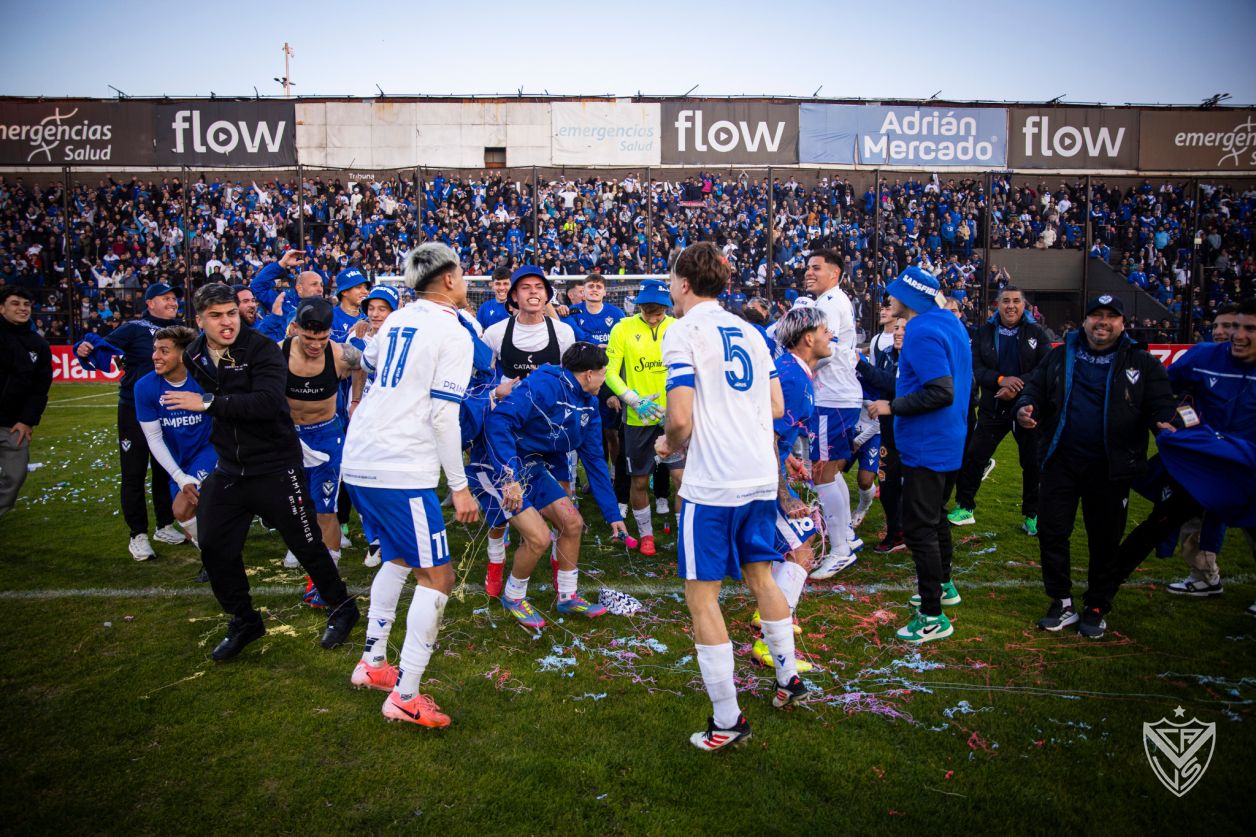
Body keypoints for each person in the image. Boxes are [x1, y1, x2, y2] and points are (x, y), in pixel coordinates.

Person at [656, 241, 806, 752]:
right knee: (761, 576)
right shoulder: (751, 331)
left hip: (714, 483)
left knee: (702, 595)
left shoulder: (682, 330)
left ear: (683, 284)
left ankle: (727, 719)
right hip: (758, 476)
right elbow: (777, 404)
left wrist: (668, 444)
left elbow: (679, 418)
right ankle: (787, 678)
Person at [177, 283, 359, 662]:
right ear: (200, 320)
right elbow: (225, 404)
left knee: (306, 543)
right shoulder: (194, 354)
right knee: (213, 545)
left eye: (231, 313)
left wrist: (208, 403)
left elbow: (266, 402)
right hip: (230, 468)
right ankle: (244, 620)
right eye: (216, 316)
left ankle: (343, 608)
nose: (227, 322)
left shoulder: (262, 349)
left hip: (276, 464)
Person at [341, 243, 480, 729]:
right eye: (463, 273)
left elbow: (368, 360)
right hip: (399, 465)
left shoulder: (398, 318)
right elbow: (444, 416)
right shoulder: (453, 331)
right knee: (438, 578)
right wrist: (459, 486)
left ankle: (372, 663)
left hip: (360, 456)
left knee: (400, 557)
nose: (466, 281)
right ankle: (406, 694)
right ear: (448, 279)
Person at [1014, 294, 1176, 639]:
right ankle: (1061, 601)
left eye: (1110, 316)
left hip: (1110, 467)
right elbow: (1035, 388)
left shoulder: (1141, 362)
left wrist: (1164, 421)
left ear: (1122, 323)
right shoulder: (1061, 354)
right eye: (1096, 315)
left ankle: (1097, 605)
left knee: (1104, 539)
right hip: (1060, 461)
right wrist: (1026, 407)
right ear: (1084, 321)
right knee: (1052, 532)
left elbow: (1161, 403)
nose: (1102, 322)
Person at [1114, 298, 1256, 608]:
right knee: (1164, 521)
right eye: (1233, 326)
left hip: (1248, 469)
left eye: (1249, 329)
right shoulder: (1203, 356)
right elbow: (1164, 390)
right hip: (1204, 466)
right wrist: (1176, 417)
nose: (1236, 335)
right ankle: (1104, 586)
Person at [483, 343, 628, 629]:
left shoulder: (590, 404)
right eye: (604, 373)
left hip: (537, 465)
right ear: (589, 374)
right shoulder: (544, 386)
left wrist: (613, 515)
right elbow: (498, 422)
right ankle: (513, 596)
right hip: (503, 465)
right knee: (538, 537)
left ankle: (567, 596)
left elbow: (595, 462)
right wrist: (509, 477)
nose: (606, 379)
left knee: (572, 524)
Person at [868, 267, 972, 644]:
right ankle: (943, 586)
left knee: (919, 527)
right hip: (947, 436)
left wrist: (891, 406)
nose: (889, 299)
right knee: (936, 516)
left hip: (928, 441)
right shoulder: (948, 322)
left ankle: (932, 615)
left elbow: (940, 391)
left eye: (894, 293)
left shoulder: (921, 329)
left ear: (910, 297)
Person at [749, 305, 833, 673]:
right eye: (826, 331)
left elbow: (776, 434)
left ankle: (768, 613)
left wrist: (789, 460)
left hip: (766, 469)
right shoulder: (792, 377)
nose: (832, 336)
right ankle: (770, 642)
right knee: (801, 548)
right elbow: (765, 434)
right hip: (758, 475)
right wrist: (784, 494)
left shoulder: (793, 371)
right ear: (808, 338)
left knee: (798, 541)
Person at [75, 282, 186, 560]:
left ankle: (164, 525)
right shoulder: (134, 328)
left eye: (174, 298)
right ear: (150, 303)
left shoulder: (181, 330)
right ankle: (137, 534)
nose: (172, 302)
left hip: (169, 408)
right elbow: (101, 346)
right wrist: (84, 348)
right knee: (134, 472)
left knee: (165, 468)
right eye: (165, 298)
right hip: (134, 409)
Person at [949, 286, 1051, 535]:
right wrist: (1001, 380)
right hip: (992, 406)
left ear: (1024, 305)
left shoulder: (1037, 333)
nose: (1011, 306)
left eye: (1016, 301)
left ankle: (1032, 515)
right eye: (1006, 301)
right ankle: (965, 507)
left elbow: (1045, 369)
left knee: (1032, 462)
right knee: (974, 457)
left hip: (1027, 407)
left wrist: (1017, 386)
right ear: (998, 305)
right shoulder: (984, 332)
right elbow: (976, 367)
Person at [278, 298, 362, 588]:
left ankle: (328, 579)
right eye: (309, 338)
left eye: (322, 338)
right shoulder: (279, 352)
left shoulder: (340, 354)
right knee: (295, 503)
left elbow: (363, 365)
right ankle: (300, 543)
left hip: (326, 436)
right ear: (295, 328)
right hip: (290, 437)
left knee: (326, 508)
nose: (315, 345)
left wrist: (355, 400)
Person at [605, 279, 682, 557]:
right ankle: (646, 534)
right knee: (638, 480)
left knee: (682, 478)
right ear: (639, 307)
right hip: (638, 418)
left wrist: (678, 406)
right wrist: (633, 400)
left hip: (674, 416)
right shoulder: (622, 328)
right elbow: (610, 372)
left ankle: (683, 534)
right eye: (647, 312)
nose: (652, 318)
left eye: (658, 313)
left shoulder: (677, 328)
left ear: (667, 308)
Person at [133, 326, 215, 575]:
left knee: (182, 507)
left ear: (182, 355)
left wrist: (204, 403)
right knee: (186, 516)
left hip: (210, 450)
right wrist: (179, 476)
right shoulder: (145, 387)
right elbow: (154, 438)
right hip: (178, 460)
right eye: (155, 350)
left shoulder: (204, 377)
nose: (155, 356)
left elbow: (227, 405)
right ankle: (217, 556)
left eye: (163, 351)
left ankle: (219, 560)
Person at [803, 249, 865, 579]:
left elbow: (825, 351)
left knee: (822, 472)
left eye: (816, 267)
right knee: (830, 470)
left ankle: (840, 549)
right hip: (836, 396)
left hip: (833, 397)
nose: (809, 272)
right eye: (807, 267)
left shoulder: (829, 303)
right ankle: (847, 537)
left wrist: (800, 363)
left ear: (835, 273)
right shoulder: (831, 301)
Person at [0, 286, 51, 517]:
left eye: (26, 304)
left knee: (15, 474)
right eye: (15, 303)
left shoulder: (38, 344)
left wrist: (27, 420)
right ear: (2, 308)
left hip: (13, 424)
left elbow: (40, 387)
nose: (22, 308)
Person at [482, 266, 576, 388]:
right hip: (508, 401)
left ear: (546, 295)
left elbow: (572, 381)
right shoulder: (494, 332)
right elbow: (480, 377)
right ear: (514, 295)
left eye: (539, 287)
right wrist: (494, 393)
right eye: (525, 287)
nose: (533, 291)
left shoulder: (564, 332)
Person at [858, 316, 907, 553]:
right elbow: (880, 383)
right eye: (897, 328)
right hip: (888, 432)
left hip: (911, 434)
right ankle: (895, 533)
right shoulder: (887, 353)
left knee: (913, 488)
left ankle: (914, 532)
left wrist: (860, 365)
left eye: (904, 329)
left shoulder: (919, 357)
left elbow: (897, 384)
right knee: (887, 486)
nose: (898, 332)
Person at [329, 266, 370, 343]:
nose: (365, 292)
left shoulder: (369, 318)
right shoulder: (330, 318)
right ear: (344, 292)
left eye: (366, 288)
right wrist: (351, 334)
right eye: (358, 287)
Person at [475, 266, 513, 331]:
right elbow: (479, 332)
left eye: (505, 284)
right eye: (498, 284)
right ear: (492, 285)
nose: (501, 288)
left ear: (511, 285)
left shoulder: (518, 308)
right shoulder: (484, 307)